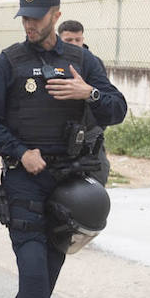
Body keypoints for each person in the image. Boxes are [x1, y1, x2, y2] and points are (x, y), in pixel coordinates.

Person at [0, 0, 126, 298]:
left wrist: (87, 92)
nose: (29, 24)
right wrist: (20, 151)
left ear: (55, 15)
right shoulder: (8, 62)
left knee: (54, 254)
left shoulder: (82, 61)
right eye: (25, 17)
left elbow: (117, 109)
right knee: (30, 250)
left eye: (37, 17)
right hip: (25, 174)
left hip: (69, 174)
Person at [57, 19, 111, 186]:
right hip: (60, 136)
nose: (74, 44)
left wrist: (98, 128)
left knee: (97, 183)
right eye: (69, 40)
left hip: (90, 134)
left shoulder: (93, 63)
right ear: (59, 39)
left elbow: (106, 97)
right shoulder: (54, 62)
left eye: (77, 40)